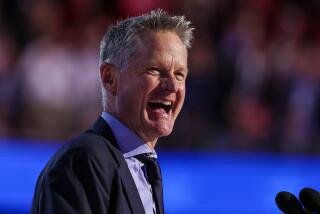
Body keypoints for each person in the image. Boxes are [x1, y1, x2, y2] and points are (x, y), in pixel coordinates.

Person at [31, 9, 194, 214]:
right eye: (155, 70)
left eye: (180, 74)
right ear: (110, 78)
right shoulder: (82, 162)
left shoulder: (144, 168)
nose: (172, 85)